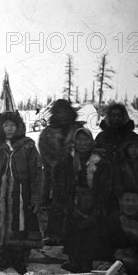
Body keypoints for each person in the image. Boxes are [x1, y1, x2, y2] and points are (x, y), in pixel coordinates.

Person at [0, 111, 43, 274]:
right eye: (6, 125)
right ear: (0, 127)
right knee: (0, 224)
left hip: (21, 195)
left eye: (13, 125)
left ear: (18, 127)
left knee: (20, 224)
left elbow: (37, 173)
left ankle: (18, 259)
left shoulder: (28, 146)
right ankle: (5, 256)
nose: (9, 129)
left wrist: (36, 197)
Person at [62, 128, 111, 272]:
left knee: (89, 233)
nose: (83, 143)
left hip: (92, 202)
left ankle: (86, 263)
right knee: (72, 232)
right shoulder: (68, 159)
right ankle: (74, 262)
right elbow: (62, 182)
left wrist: (97, 206)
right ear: (74, 142)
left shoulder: (101, 161)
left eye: (86, 140)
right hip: (73, 200)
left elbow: (105, 186)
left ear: (91, 142)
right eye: (79, 140)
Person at [38, 99, 84, 245]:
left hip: (77, 174)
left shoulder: (77, 130)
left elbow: (87, 147)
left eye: (65, 112)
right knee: (55, 205)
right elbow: (44, 153)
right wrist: (56, 165)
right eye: (59, 113)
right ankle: (54, 234)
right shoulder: (47, 133)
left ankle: (73, 235)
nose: (62, 116)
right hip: (54, 176)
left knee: (75, 204)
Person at [98, 189, 138, 273]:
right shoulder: (111, 221)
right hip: (117, 266)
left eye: (134, 200)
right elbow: (103, 247)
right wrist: (117, 253)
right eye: (127, 200)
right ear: (120, 201)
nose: (130, 204)